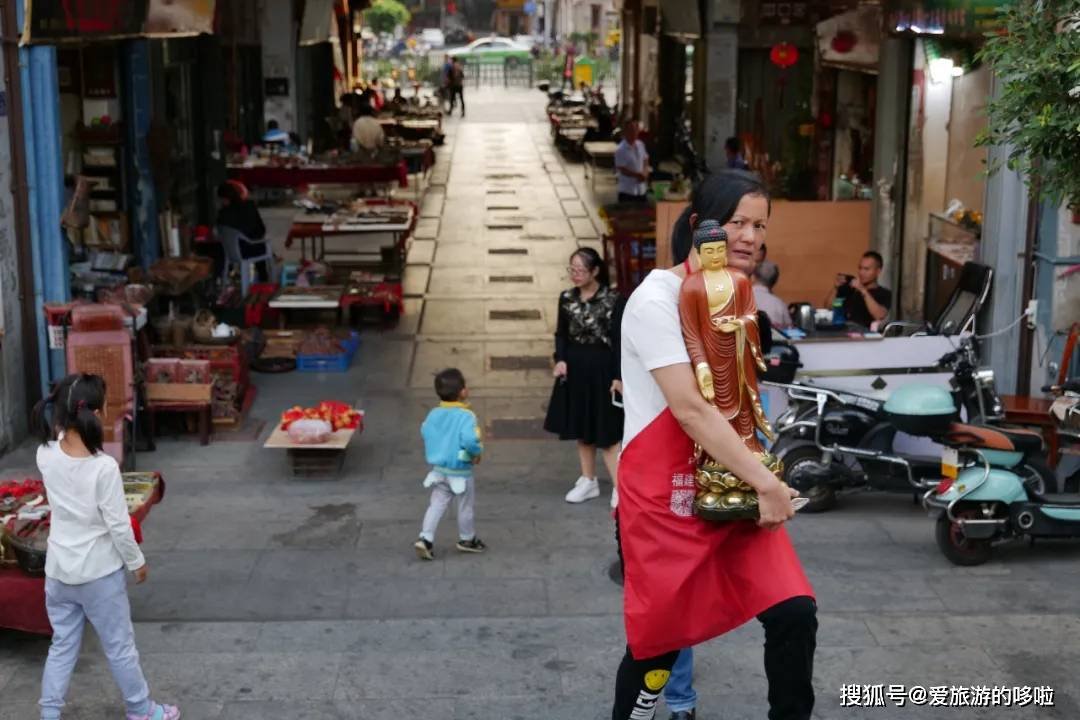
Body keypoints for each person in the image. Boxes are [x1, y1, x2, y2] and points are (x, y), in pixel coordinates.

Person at [611, 170, 816, 720]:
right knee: (656, 648)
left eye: (759, 226)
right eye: (737, 222)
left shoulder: (739, 294)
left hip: (733, 482)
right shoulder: (656, 299)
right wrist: (768, 482)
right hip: (667, 498)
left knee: (795, 613)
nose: (749, 236)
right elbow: (690, 408)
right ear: (702, 224)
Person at [32, 374, 180, 720]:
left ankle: (49, 713)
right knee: (119, 647)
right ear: (96, 414)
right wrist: (136, 562)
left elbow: (61, 442)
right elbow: (118, 524)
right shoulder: (103, 467)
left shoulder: (45, 454)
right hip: (99, 573)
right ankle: (141, 709)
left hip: (59, 572)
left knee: (62, 645)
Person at [544, 248, 625, 509]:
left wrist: (619, 376)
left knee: (608, 432)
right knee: (582, 429)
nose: (575, 275)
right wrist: (560, 359)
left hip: (603, 369)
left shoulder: (613, 299)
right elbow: (561, 334)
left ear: (595, 271)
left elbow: (619, 340)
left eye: (580, 270)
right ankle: (588, 480)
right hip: (576, 369)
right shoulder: (566, 298)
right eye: (572, 269)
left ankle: (620, 488)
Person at [414, 368, 487, 560]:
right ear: (463, 392)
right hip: (461, 472)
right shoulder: (466, 416)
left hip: (439, 471)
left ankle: (425, 538)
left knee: (436, 505)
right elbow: (470, 440)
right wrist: (477, 452)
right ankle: (467, 539)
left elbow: (425, 431)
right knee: (465, 506)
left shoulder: (433, 413)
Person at [216, 181, 271, 281]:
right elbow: (261, 229)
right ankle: (263, 276)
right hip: (251, 249)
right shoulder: (250, 206)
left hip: (230, 251)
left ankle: (222, 277)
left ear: (224, 199)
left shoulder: (223, 213)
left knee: (218, 250)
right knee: (259, 242)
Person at [827, 250, 891, 329]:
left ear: (878, 271)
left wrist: (863, 290)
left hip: (866, 334)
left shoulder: (884, 293)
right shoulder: (850, 289)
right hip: (844, 331)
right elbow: (829, 307)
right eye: (860, 268)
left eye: (866, 269)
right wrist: (835, 288)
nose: (861, 272)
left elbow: (879, 316)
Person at [615, 121, 650, 203]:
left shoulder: (640, 145)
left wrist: (645, 172)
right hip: (627, 191)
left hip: (641, 190)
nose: (633, 133)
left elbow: (645, 160)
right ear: (625, 132)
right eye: (631, 130)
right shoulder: (621, 149)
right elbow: (622, 169)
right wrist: (637, 175)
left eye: (635, 130)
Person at [753, 260, 793, 330]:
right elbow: (789, 329)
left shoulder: (740, 297)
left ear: (754, 276)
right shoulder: (779, 304)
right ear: (775, 281)